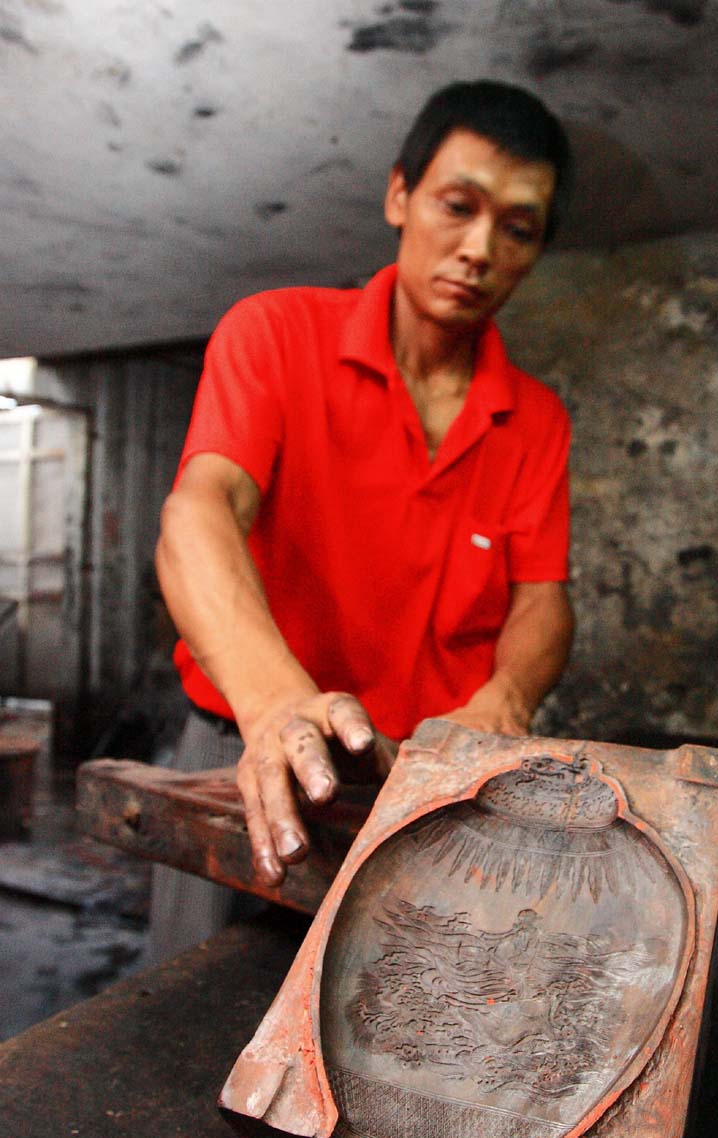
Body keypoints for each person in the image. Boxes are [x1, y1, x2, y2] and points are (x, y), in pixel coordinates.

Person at [149, 81, 575, 958]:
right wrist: (274, 706)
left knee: (399, 1025)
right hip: (243, 752)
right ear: (399, 197)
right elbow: (199, 512)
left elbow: (543, 597)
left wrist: (507, 697)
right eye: (458, 206)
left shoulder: (535, 420)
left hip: (419, 787)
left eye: (519, 229)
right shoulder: (272, 334)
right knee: (189, 1021)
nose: (479, 249)